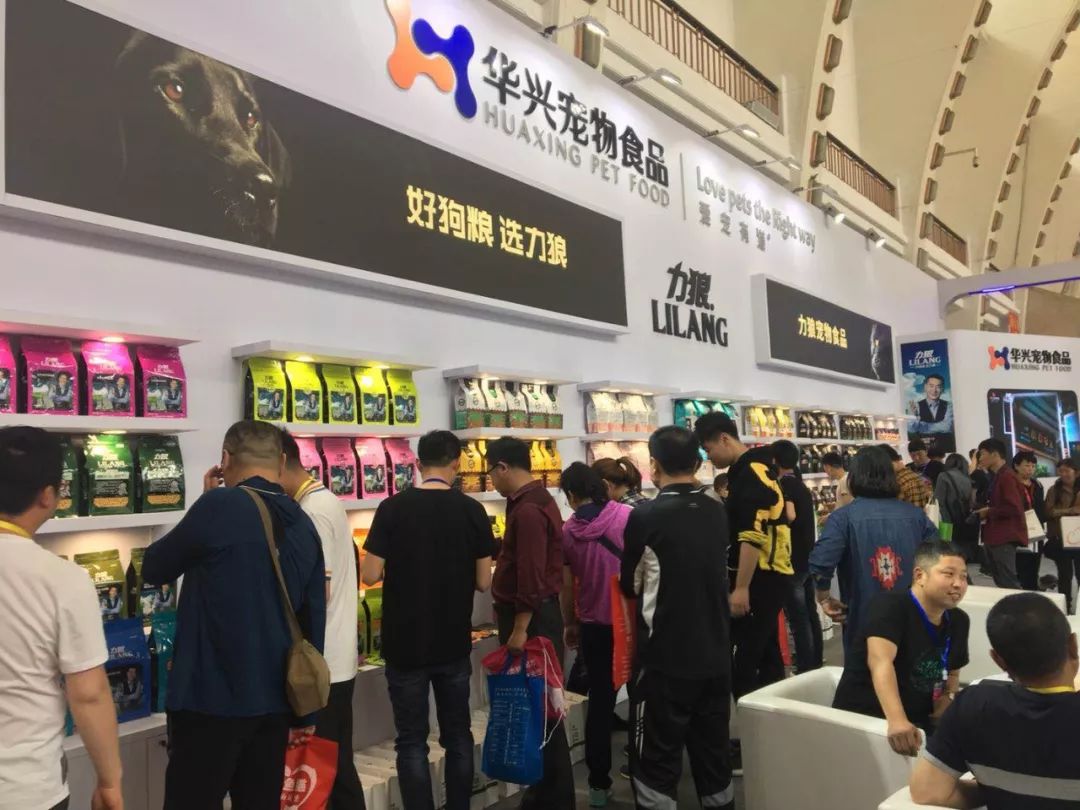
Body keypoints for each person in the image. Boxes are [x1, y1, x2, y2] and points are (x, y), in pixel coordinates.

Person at [143, 420, 326, 810]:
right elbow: (313, 618)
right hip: (276, 701)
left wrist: (203, 504)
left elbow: (154, 567)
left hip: (210, 698)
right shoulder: (302, 521)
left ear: (225, 459)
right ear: (281, 461)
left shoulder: (219, 505)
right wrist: (304, 710)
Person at [362, 430, 494, 810]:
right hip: (452, 641)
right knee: (458, 736)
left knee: (411, 742)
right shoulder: (472, 511)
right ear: (457, 463)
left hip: (404, 644)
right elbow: (484, 582)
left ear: (418, 463)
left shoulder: (392, 508)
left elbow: (370, 574)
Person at [0, 427, 123, 810]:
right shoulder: (62, 579)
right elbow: (88, 694)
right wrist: (110, 781)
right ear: (49, 495)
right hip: (25, 788)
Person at [621, 427, 734, 810]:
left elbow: (631, 584)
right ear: (698, 463)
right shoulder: (716, 509)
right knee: (714, 757)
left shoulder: (646, 516)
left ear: (653, 464)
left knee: (656, 762)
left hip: (664, 659)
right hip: (716, 653)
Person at [910, 593, 1080, 809]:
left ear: (998, 660)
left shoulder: (973, 705)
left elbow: (928, 791)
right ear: (1073, 645)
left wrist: (988, 790)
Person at [487, 437, 575, 809]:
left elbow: (531, 575)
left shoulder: (527, 511)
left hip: (532, 620)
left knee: (542, 709)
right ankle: (546, 793)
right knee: (540, 708)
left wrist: (520, 628)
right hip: (538, 615)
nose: (491, 480)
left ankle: (554, 798)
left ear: (503, 467)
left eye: (491, 472)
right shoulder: (537, 500)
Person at [280, 430, 364, 810]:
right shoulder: (325, 500)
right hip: (334, 659)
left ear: (282, 461)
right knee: (337, 766)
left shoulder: (311, 511)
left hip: (321, 665)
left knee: (324, 772)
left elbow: (318, 593)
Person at [833, 541, 970, 756]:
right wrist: (897, 720)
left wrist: (947, 695)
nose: (958, 584)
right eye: (948, 574)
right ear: (920, 576)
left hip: (922, 719)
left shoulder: (958, 620)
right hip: (871, 718)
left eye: (963, 577)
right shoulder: (890, 606)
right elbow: (881, 662)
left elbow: (952, 670)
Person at [695, 412, 792, 704]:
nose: (709, 456)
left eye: (709, 449)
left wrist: (741, 587)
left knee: (745, 661)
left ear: (724, 439)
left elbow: (752, 535)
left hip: (762, 576)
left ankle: (753, 723)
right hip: (768, 574)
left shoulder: (751, 473)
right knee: (767, 654)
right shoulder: (754, 469)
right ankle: (772, 719)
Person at [810, 446, 939, 654]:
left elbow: (821, 562)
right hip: (911, 613)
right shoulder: (915, 516)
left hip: (863, 617)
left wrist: (824, 597)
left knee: (865, 669)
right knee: (911, 666)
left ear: (854, 478)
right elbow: (938, 557)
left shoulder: (843, 518)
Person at [559, 462, 631, 808]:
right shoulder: (626, 516)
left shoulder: (568, 531)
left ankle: (598, 786)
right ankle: (644, 772)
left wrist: (570, 623)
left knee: (601, 703)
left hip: (593, 624)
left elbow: (566, 585)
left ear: (572, 495)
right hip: (631, 621)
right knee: (643, 695)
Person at [774, 440, 823, 673]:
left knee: (798, 617)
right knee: (810, 613)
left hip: (791, 559)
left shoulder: (783, 484)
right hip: (807, 556)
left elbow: (790, 515)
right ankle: (816, 660)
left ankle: (805, 666)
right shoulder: (801, 486)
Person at [974, 439, 1027, 590]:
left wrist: (988, 511)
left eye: (982, 454)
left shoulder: (1007, 476)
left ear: (995, 454)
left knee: (1008, 582)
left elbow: (1014, 508)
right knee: (1002, 582)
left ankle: (1021, 606)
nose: (980, 458)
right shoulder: (998, 476)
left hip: (1004, 536)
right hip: (996, 535)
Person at [1045, 457, 1080, 613]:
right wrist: (1070, 511)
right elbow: (1048, 512)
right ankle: (1065, 607)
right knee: (1065, 575)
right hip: (1061, 539)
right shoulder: (1054, 490)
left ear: (1076, 472)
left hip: (1079, 539)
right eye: (1060, 471)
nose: (1063, 474)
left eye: (1067, 470)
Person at [1011, 451, 1047, 592]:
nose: (1030, 469)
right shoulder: (1011, 484)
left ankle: (1033, 592)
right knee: (1020, 565)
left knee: (1034, 565)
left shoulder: (1037, 485)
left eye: (1033, 466)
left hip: (1036, 530)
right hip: (1018, 530)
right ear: (1016, 466)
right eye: (1027, 465)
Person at [935, 454, 976, 561]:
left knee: (946, 550)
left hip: (946, 520)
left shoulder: (943, 476)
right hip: (962, 518)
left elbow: (939, 500)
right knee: (961, 550)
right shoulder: (967, 479)